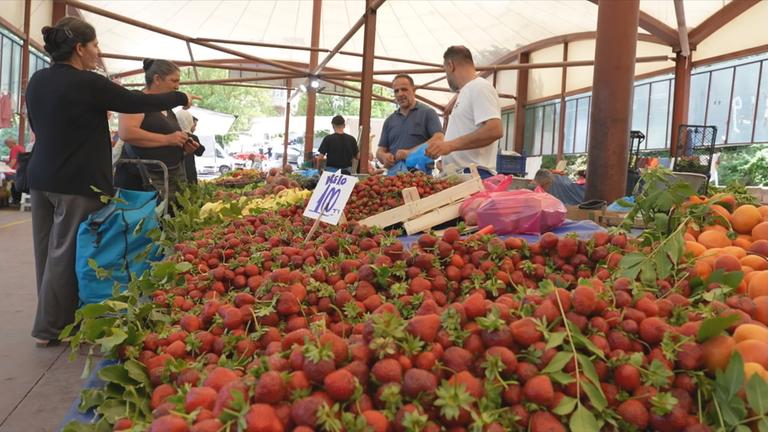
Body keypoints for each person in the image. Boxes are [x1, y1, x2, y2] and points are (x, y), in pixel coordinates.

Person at [25, 17, 194, 347]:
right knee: (67, 253)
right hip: (78, 180)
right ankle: (49, 328)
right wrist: (178, 96)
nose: (97, 52)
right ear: (79, 48)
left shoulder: (37, 80)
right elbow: (136, 102)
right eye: (94, 46)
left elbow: (37, 124)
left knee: (46, 252)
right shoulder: (88, 82)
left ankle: (57, 318)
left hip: (41, 175)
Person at [114, 59, 198, 202]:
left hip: (170, 179)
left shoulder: (168, 109)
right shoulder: (136, 99)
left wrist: (184, 146)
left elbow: (166, 141)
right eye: (174, 81)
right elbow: (127, 132)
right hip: (143, 185)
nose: (177, 87)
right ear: (157, 79)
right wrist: (168, 139)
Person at [426, 45, 502, 178]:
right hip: (462, 175)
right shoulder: (466, 92)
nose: (447, 77)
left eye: (445, 71)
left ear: (450, 65)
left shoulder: (479, 87)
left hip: (473, 175)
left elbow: (494, 129)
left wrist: (450, 145)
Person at [377, 74, 444, 169]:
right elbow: (380, 150)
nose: (400, 94)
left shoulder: (428, 113)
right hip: (393, 177)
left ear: (414, 91)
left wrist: (409, 153)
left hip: (420, 176)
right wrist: (384, 157)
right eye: (396, 91)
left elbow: (439, 138)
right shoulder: (389, 120)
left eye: (404, 89)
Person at [177, 110, 204, 185]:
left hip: (175, 173)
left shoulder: (172, 135)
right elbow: (200, 151)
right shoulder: (191, 137)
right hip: (188, 173)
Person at [4, 137, 25, 203]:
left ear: (10, 143)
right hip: (21, 171)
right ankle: (15, 199)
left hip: (16, 172)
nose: (7, 146)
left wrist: (6, 169)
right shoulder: (20, 147)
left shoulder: (14, 148)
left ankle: (6, 197)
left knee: (3, 176)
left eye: (7, 144)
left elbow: (13, 161)